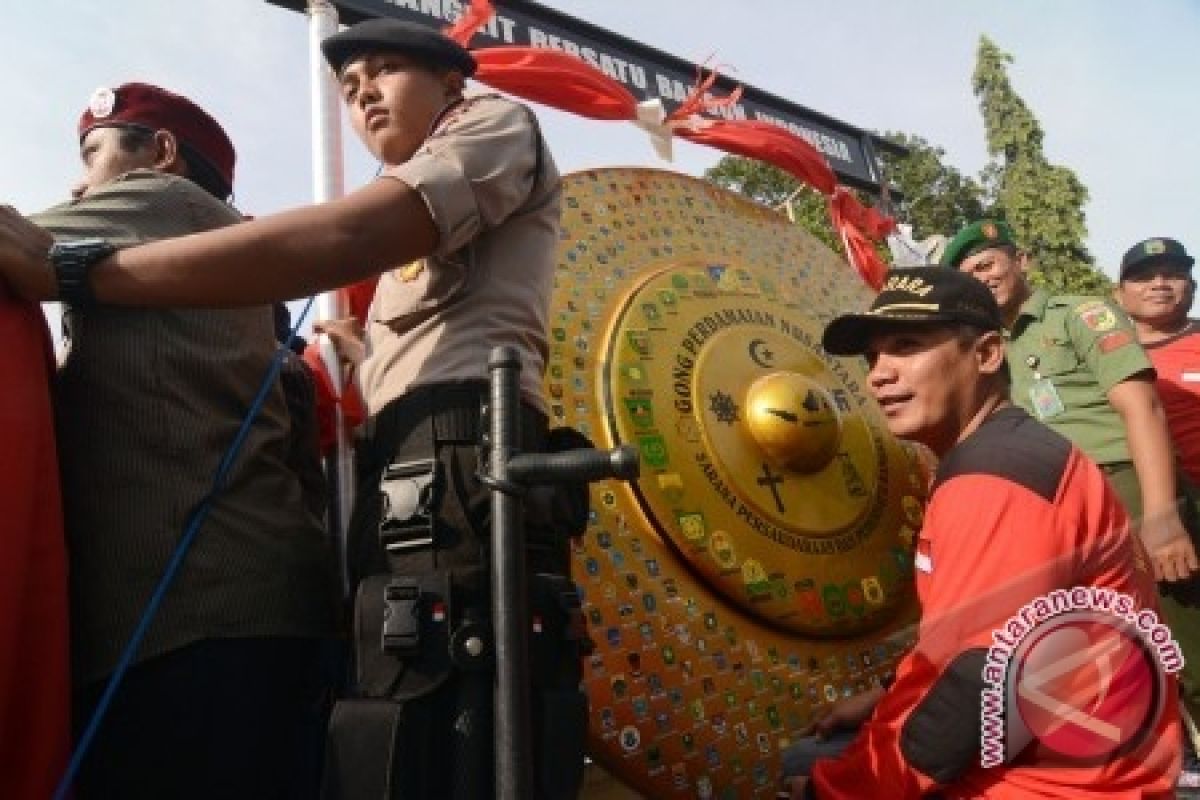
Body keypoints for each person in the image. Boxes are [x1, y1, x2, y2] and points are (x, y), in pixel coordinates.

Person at [0, 19, 581, 799]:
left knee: (461, 735)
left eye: (386, 69)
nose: (364, 93)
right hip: (399, 486)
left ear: (452, 83)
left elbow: (354, 231)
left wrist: (76, 273)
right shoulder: (393, 242)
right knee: (408, 743)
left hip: (463, 463)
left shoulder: (490, 124)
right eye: (349, 86)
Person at [27, 82, 338, 799]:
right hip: (243, 617)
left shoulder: (164, 205)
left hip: (191, 628)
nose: (78, 181)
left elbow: (16, 239)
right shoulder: (229, 248)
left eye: (93, 153)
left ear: (161, 154)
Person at [785, 266, 1180, 798]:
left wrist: (835, 791)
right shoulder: (998, 451)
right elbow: (969, 642)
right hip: (1063, 746)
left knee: (790, 765)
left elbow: (975, 680)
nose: (879, 373)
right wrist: (884, 693)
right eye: (873, 357)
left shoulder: (998, 477)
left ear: (988, 354)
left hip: (1056, 781)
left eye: (907, 346)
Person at [943, 219, 1200, 719]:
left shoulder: (1078, 314)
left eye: (989, 263)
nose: (983, 277)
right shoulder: (984, 348)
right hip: (1054, 506)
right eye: (970, 272)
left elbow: (1142, 408)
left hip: (1125, 485)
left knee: (1182, 638)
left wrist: (1162, 515)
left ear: (1021, 262)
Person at [1114, 237, 1200, 487]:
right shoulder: (1103, 353)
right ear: (1118, 294)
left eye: (1172, 275)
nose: (1159, 284)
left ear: (1192, 287)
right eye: (1143, 278)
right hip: (1139, 501)